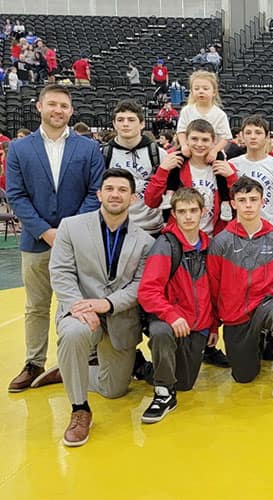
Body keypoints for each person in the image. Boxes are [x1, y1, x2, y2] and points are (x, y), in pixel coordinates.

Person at [6, 84, 104, 393]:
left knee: (79, 303)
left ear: (72, 110)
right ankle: (34, 361)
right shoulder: (20, 149)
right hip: (36, 242)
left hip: (77, 243)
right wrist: (45, 231)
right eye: (52, 104)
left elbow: (95, 192)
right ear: (39, 106)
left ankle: (84, 358)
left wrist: (68, 231)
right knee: (36, 306)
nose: (58, 110)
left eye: (64, 105)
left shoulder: (88, 148)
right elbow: (16, 196)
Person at [50, 168, 154, 446]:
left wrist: (107, 304)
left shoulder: (145, 241)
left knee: (114, 390)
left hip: (118, 317)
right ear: (99, 194)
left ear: (133, 198)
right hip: (80, 312)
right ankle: (79, 408)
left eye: (122, 190)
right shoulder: (71, 227)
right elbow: (60, 272)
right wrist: (80, 307)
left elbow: (138, 286)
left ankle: (68, 369)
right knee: (73, 334)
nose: (115, 194)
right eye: (109, 189)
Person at [208, 177, 273, 409]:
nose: (248, 205)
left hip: (266, 304)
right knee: (243, 376)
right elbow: (213, 285)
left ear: (263, 202)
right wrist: (213, 325)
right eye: (242, 200)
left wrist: (272, 305)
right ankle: (257, 341)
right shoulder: (220, 242)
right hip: (235, 313)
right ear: (233, 204)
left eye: (253, 199)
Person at [137, 187, 218, 423]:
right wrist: (171, 315)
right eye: (182, 211)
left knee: (184, 383)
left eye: (193, 210)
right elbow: (147, 291)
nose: (189, 216)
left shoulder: (209, 246)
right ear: (174, 213)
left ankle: (143, 367)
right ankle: (163, 393)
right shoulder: (166, 245)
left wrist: (213, 326)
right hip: (172, 321)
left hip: (199, 324)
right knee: (160, 332)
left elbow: (214, 291)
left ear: (203, 212)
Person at [103, 99, 167, 237]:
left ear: (142, 123)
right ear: (114, 124)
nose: (125, 124)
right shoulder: (103, 154)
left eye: (131, 120)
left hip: (151, 227)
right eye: (120, 120)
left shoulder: (158, 154)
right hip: (116, 227)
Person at [229, 115, 273, 228]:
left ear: (267, 136)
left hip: (271, 228)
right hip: (241, 229)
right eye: (248, 133)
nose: (253, 137)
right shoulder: (232, 165)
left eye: (258, 132)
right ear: (241, 136)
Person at [175, 70, 232, 165]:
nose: (201, 91)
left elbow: (225, 137)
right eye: (197, 89)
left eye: (205, 89)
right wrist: (184, 146)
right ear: (192, 91)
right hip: (190, 152)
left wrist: (214, 151)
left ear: (214, 92)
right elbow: (181, 131)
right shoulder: (186, 111)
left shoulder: (219, 114)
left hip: (211, 154)